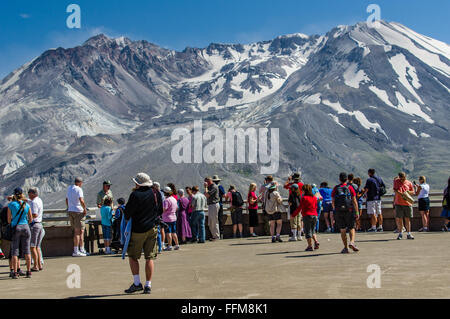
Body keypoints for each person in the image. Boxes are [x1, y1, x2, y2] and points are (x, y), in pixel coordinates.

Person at [124, 173, 162, 294]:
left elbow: (128, 213)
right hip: (152, 228)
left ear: (138, 183)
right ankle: (148, 285)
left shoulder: (135, 195)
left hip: (137, 230)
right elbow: (160, 210)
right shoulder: (156, 193)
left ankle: (136, 283)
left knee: (133, 257)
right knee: (149, 257)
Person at [8, 188, 33, 279]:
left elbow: (8, 219)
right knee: (27, 250)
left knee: (15, 251)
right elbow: (31, 219)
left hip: (16, 227)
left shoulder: (11, 205)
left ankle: (15, 272)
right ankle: (29, 271)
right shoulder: (26, 205)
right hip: (26, 227)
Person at [332, 173, 360, 254]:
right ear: (347, 179)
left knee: (342, 229)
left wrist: (335, 210)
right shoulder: (350, 187)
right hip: (349, 210)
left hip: (339, 211)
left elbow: (333, 201)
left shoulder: (336, 188)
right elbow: (354, 200)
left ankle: (345, 247)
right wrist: (357, 211)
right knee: (351, 227)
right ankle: (351, 242)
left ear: (339, 179)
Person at [293, 185, 320, 251]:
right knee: (313, 230)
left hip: (307, 215)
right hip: (315, 215)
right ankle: (316, 241)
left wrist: (294, 214)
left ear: (304, 190)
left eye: (302, 190)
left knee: (307, 231)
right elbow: (316, 207)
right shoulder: (314, 197)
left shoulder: (304, 198)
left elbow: (300, 207)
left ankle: (310, 246)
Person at [66, 177, 88, 257]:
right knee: (78, 232)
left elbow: (66, 199)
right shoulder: (79, 189)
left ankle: (81, 249)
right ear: (80, 182)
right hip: (78, 211)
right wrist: (84, 209)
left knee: (79, 231)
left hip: (71, 210)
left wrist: (69, 207)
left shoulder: (69, 188)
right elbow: (81, 200)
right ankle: (76, 251)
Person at [393, 172, 415, 240]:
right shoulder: (396, 181)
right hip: (399, 203)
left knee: (407, 219)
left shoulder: (409, 183)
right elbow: (395, 190)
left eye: (403, 179)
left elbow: (413, 192)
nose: (402, 180)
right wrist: (401, 194)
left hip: (407, 203)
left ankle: (409, 233)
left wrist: (407, 192)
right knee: (400, 219)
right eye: (401, 179)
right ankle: (400, 233)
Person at [27, 187, 44, 271]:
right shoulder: (39, 200)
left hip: (34, 225)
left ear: (33, 194)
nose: (28, 195)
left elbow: (34, 214)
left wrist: (27, 217)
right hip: (39, 224)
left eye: (29, 193)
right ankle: (39, 264)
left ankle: (35, 266)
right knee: (37, 246)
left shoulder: (34, 202)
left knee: (32, 246)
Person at [162, 187, 180, 251]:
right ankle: (177, 244)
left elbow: (164, 209)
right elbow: (177, 208)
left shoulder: (166, 200)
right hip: (174, 217)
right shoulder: (174, 199)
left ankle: (169, 245)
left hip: (167, 218)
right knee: (174, 232)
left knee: (168, 232)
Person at [204, 177, 220, 241]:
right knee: (210, 222)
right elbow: (205, 194)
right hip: (211, 205)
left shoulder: (214, 187)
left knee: (214, 221)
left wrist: (205, 187)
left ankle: (216, 236)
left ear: (208, 181)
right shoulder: (209, 187)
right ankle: (214, 235)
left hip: (214, 204)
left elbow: (207, 195)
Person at [213, 176, 226, 240]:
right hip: (220, 204)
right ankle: (221, 233)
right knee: (220, 219)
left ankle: (215, 234)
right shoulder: (220, 187)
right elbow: (224, 195)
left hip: (213, 204)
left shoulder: (212, 187)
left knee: (214, 220)